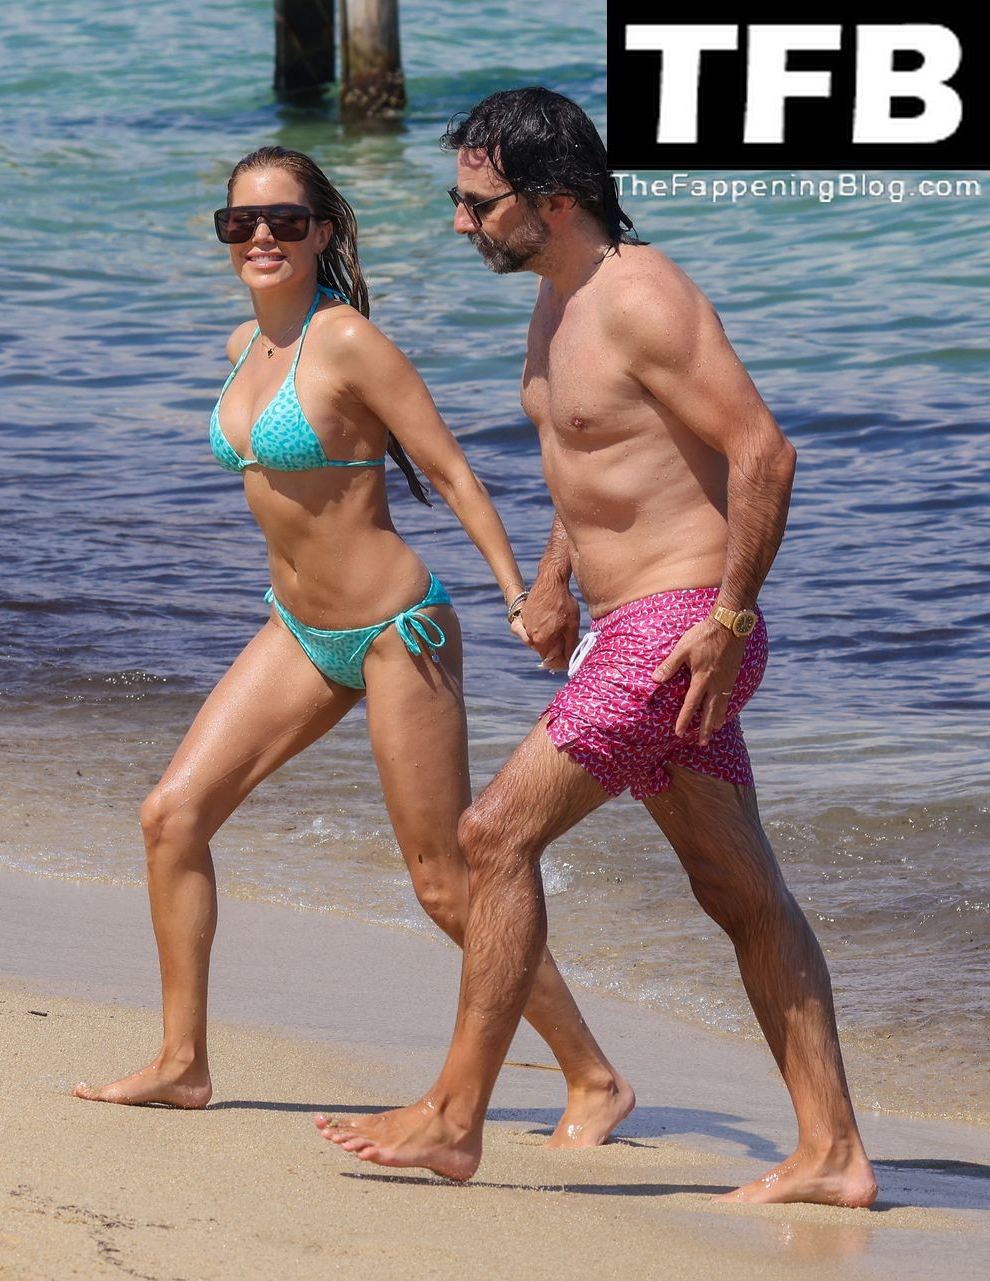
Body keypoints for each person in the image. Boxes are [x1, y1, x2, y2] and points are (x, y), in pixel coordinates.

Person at [317, 89, 877, 1208]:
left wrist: (729, 620)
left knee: (493, 833)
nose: (462, 223)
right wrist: (556, 580)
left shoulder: (642, 297)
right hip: (632, 628)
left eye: (479, 204)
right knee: (740, 889)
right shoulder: (557, 299)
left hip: (681, 631)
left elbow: (763, 453)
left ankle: (454, 1117)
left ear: (556, 200)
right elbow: (599, 466)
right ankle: (833, 1153)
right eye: (460, 201)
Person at [73, 145, 633, 1149]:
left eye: (285, 221)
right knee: (172, 817)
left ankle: (592, 1075)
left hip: (394, 633)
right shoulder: (244, 344)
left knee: (445, 882)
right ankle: (182, 1061)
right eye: (240, 223)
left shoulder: (348, 341)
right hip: (298, 627)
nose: (261, 237)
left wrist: (521, 593)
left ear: (322, 232)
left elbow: (451, 473)